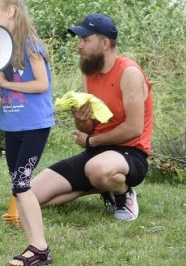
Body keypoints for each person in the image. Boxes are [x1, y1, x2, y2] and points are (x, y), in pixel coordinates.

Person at [31, 13, 153, 221]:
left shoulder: (129, 72)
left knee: (97, 169)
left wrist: (91, 141)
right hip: (97, 154)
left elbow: (134, 128)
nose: (79, 46)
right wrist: (81, 118)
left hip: (130, 153)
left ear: (105, 43)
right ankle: (99, 186)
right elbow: (89, 127)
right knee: (30, 196)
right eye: (80, 40)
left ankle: (123, 194)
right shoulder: (89, 72)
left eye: (86, 40)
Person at [0, 0, 55, 266]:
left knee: (23, 184)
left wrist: (8, 82)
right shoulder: (3, 46)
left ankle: (40, 247)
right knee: (17, 186)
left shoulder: (30, 44)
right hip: (12, 124)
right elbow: (1, 91)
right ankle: (34, 245)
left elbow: (41, 85)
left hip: (35, 125)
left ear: (10, 12)